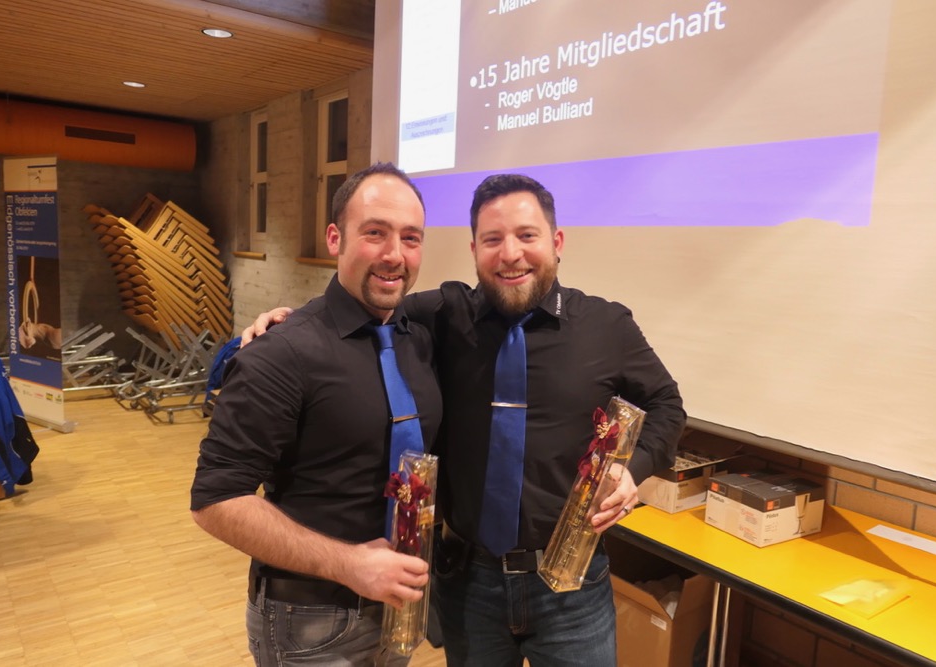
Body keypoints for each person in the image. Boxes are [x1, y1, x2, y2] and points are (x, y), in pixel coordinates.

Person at [245, 173, 686, 666]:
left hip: (572, 583)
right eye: (493, 239)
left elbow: (667, 404)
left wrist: (633, 469)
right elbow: (360, 303)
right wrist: (284, 320)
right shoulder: (441, 314)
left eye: (527, 235)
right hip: (469, 582)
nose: (510, 254)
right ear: (474, 250)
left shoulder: (607, 326)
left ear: (557, 242)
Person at [191, 162, 443, 666]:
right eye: (375, 233)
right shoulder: (280, 353)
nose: (395, 254)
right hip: (311, 624)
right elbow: (215, 500)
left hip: (400, 611)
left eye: (410, 238)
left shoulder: (421, 335)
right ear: (335, 238)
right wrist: (350, 565)